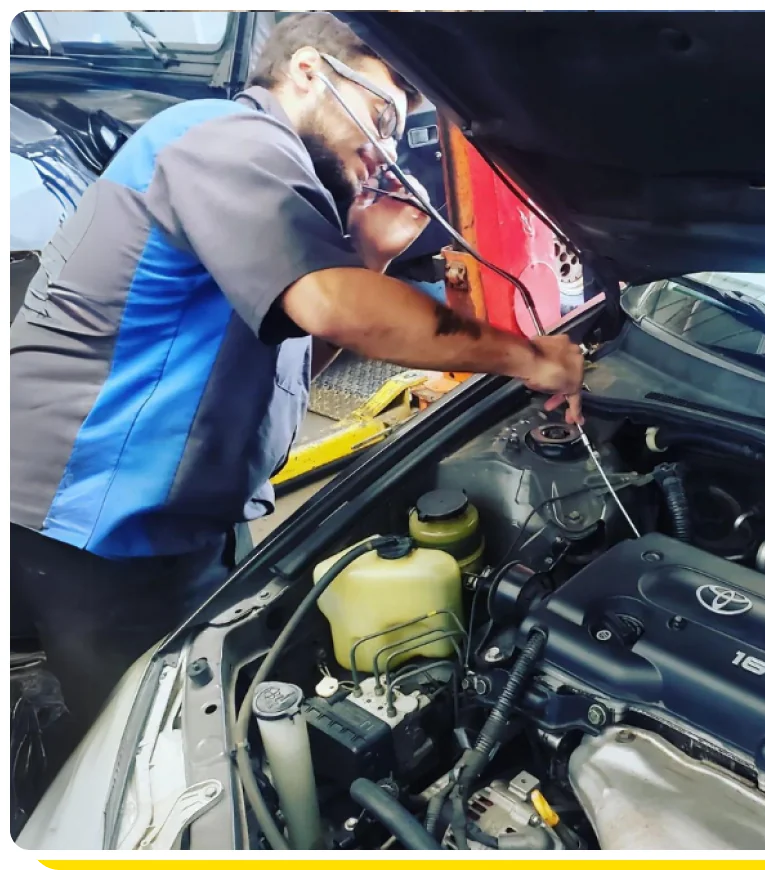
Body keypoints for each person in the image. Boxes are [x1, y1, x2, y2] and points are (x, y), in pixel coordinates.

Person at [9, 12, 585, 740]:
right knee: (150, 742)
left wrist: (369, 256)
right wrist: (529, 355)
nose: (383, 150)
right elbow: (333, 304)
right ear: (309, 70)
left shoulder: (270, 188)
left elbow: (291, 356)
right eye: (378, 115)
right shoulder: (230, 138)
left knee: (218, 692)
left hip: (182, 514)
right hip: (95, 519)